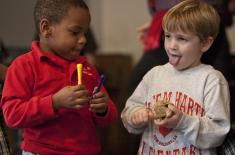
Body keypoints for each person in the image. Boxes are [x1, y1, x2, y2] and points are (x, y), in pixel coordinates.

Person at [0, 0, 118, 154]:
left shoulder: (87, 69)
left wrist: (102, 109)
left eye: (85, 33)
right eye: (75, 32)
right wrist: (54, 102)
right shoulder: (23, 66)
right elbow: (12, 115)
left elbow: (111, 114)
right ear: (46, 28)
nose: (83, 40)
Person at [121, 0, 230, 154]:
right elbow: (129, 113)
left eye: (182, 39)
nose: (172, 45)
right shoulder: (154, 75)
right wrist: (135, 116)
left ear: (204, 44)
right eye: (168, 36)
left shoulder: (211, 80)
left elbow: (218, 133)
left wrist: (182, 121)